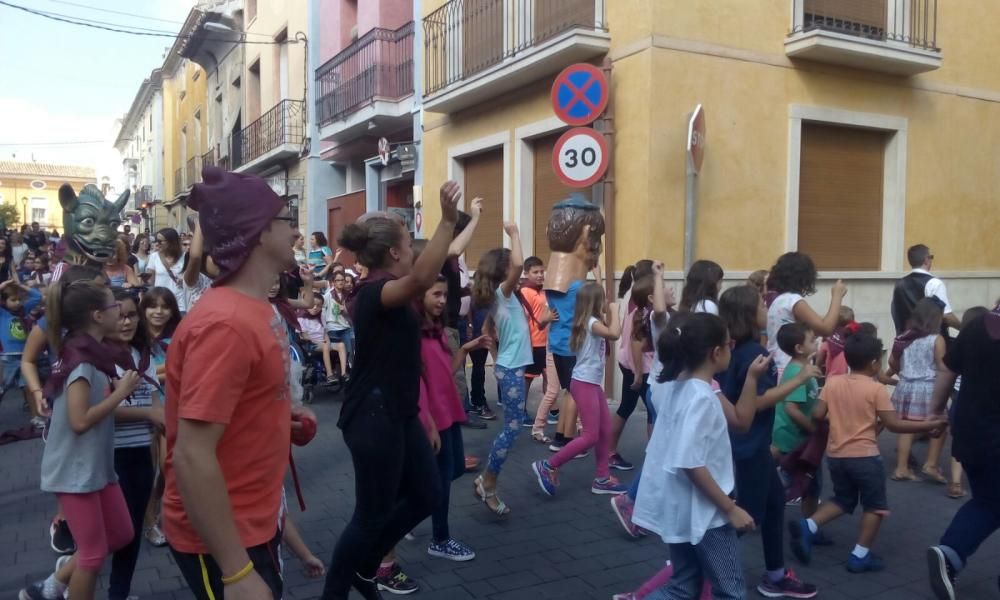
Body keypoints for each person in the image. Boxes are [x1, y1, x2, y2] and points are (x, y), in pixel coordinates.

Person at [161, 167, 302, 600]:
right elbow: (191, 454)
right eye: (286, 217)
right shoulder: (227, 324)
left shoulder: (255, 307)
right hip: (224, 536)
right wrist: (237, 572)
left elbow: (241, 402)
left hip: (254, 517)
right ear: (259, 232)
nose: (296, 228)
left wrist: (281, 417)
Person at [320, 182, 460, 600]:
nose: (414, 251)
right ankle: (338, 590)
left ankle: (366, 565)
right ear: (396, 253)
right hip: (372, 418)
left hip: (401, 412)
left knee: (428, 493)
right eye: (408, 243)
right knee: (370, 515)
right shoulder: (372, 294)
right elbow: (420, 279)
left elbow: (406, 359)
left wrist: (425, 415)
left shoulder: (395, 296)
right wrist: (448, 221)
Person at [19, 279, 139, 600]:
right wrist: (121, 394)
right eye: (115, 306)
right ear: (97, 315)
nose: (122, 313)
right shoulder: (83, 362)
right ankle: (59, 588)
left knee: (121, 533)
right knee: (93, 554)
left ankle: (52, 585)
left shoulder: (90, 352)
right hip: (74, 472)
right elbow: (80, 420)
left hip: (95, 467)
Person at [790, 333, 947, 573]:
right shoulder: (876, 389)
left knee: (843, 499)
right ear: (874, 363)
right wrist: (928, 425)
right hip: (864, 457)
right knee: (875, 506)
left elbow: (818, 415)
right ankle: (859, 555)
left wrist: (842, 418)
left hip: (836, 456)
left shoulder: (833, 383)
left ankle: (808, 525)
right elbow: (894, 424)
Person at [632, 313, 759, 600]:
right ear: (716, 352)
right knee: (731, 592)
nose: (731, 349)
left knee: (684, 585)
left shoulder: (678, 388)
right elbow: (690, 462)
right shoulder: (702, 397)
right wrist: (730, 508)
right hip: (706, 514)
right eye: (729, 344)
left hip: (683, 508)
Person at [718, 284, 819, 598]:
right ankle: (693, 572)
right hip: (749, 448)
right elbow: (756, 403)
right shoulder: (754, 354)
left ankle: (775, 575)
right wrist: (798, 381)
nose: (767, 310)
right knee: (745, 518)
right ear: (750, 315)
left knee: (775, 504)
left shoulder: (732, 349)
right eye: (762, 306)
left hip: (747, 445)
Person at [926, 301, 1000, 599]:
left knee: (987, 501)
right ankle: (951, 553)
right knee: (990, 502)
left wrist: (934, 412)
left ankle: (950, 553)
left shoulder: (976, 326)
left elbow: (947, 370)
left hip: (971, 435)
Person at [416, 276, 491, 561]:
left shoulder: (436, 330)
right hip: (432, 418)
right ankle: (440, 538)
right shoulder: (413, 333)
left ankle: (410, 511)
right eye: (436, 294)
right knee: (442, 478)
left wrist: (464, 350)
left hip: (446, 412)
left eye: (445, 295)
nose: (442, 300)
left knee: (456, 469)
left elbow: (445, 372)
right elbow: (415, 383)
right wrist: (428, 423)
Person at [532, 281, 629, 496]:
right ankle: (548, 466)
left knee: (604, 430)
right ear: (596, 302)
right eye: (603, 298)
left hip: (591, 383)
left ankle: (602, 478)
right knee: (591, 436)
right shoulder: (591, 322)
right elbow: (614, 334)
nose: (606, 302)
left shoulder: (589, 320)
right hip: (584, 383)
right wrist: (615, 309)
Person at [470, 223, 530, 517]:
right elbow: (520, 262)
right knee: (512, 428)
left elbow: (486, 329)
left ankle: (488, 482)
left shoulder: (501, 297)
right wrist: (515, 233)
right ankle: (488, 481)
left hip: (509, 367)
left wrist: (496, 357)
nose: (517, 272)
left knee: (514, 426)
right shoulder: (504, 294)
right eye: (512, 269)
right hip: (512, 369)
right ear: (504, 271)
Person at [106, 288, 163, 600]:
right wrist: (150, 413)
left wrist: (162, 420)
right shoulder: (99, 359)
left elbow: (156, 405)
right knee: (115, 533)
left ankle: (119, 593)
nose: (125, 322)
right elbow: (101, 412)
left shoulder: (144, 357)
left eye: (130, 315)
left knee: (131, 534)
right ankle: (62, 578)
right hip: (110, 456)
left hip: (142, 452)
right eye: (118, 316)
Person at [883, 298, 948, 483]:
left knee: (907, 426)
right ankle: (931, 464)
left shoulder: (903, 337)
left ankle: (901, 468)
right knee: (939, 424)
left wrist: (904, 369)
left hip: (906, 386)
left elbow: (893, 362)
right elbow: (942, 366)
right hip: (928, 387)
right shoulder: (936, 339)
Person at [771, 323, 823, 518]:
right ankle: (808, 527)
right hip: (794, 439)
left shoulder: (803, 368)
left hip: (796, 439)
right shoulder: (797, 372)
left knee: (808, 483)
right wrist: (812, 428)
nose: (816, 341)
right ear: (799, 348)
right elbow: (791, 408)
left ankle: (808, 525)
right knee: (808, 482)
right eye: (811, 340)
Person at [766, 252, 847, 374]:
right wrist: (837, 295)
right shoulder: (793, 300)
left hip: (777, 365)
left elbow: (817, 324)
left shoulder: (779, 300)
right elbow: (825, 329)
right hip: (790, 368)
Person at [608, 274, 655, 470]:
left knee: (626, 407)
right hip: (640, 368)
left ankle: (609, 452)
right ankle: (655, 459)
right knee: (654, 412)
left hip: (628, 362)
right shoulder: (646, 314)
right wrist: (637, 373)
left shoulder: (635, 304)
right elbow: (637, 343)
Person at [522, 256, 560, 443]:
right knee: (527, 379)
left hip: (547, 343)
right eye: (535, 272)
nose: (539, 275)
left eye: (541, 271)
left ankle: (552, 410)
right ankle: (521, 410)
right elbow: (524, 320)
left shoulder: (544, 292)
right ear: (526, 273)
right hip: (533, 342)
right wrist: (525, 342)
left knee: (549, 378)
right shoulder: (525, 292)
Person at [891, 244, 961, 336]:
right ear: (926, 260)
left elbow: (895, 312)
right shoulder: (934, 283)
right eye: (931, 257)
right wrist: (963, 328)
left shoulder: (899, 284)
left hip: (905, 341)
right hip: (929, 343)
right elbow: (946, 316)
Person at [0, 278, 43, 426]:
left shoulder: (23, 311)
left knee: (29, 388)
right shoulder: (2, 313)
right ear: (4, 301)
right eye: (13, 299)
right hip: (6, 358)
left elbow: (38, 297)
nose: (18, 302)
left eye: (19, 299)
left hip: (24, 356)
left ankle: (37, 416)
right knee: (1, 388)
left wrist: (21, 286)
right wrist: (3, 285)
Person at [145, 228, 186, 313]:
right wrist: (144, 278)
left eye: (160, 241)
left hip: (181, 303)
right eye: (156, 241)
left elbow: (192, 279)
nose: (157, 244)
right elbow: (150, 281)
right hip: (161, 303)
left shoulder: (185, 257)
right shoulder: (154, 257)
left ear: (171, 242)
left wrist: (184, 280)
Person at [323, 271, 353, 384]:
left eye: (342, 280)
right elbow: (322, 312)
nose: (340, 282)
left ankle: (346, 375)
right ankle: (334, 373)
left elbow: (352, 311)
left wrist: (345, 310)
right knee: (335, 354)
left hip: (345, 327)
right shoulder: (328, 296)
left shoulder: (349, 295)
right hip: (332, 328)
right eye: (338, 280)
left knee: (349, 352)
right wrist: (325, 328)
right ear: (333, 282)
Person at [815, 306, 856, 378]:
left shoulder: (829, 339)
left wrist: (817, 367)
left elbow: (819, 357)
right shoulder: (850, 341)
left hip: (830, 379)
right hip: (844, 378)